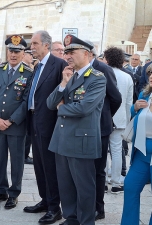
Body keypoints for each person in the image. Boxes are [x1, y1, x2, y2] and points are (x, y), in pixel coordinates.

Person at [47, 35, 106, 225]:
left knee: (84, 187)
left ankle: (86, 221)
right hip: (62, 139)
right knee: (66, 185)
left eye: (72, 52)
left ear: (87, 54)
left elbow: (84, 108)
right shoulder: (70, 76)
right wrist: (63, 83)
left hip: (82, 140)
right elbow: (49, 103)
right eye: (66, 52)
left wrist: (61, 108)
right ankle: (71, 218)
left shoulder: (97, 78)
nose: (67, 56)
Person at [24, 30, 67, 225]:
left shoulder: (58, 65)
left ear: (46, 45)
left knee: (50, 166)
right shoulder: (37, 66)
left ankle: (54, 208)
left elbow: (64, 93)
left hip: (49, 123)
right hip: (34, 120)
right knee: (39, 165)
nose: (31, 47)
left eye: (34, 43)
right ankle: (44, 200)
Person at [0, 35, 33, 209]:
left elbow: (26, 101)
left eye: (17, 51)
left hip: (16, 125)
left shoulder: (28, 73)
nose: (13, 55)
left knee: (16, 161)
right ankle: (1, 190)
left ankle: (14, 193)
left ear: (23, 53)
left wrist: (11, 120)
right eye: (11, 51)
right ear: (7, 51)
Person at [85, 40, 122, 221]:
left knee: (98, 170)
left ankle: (98, 208)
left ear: (89, 53)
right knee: (85, 169)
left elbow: (116, 98)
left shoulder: (103, 69)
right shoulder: (79, 69)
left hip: (100, 128)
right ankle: (85, 205)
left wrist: (104, 116)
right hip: (83, 128)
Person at [121, 63, 152, 225]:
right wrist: (134, 108)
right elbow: (134, 118)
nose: (151, 76)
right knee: (130, 186)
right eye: (150, 73)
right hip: (141, 153)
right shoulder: (144, 94)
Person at [103, 47, 133, 194]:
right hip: (120, 118)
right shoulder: (127, 77)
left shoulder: (102, 73)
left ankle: (102, 182)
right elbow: (128, 102)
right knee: (116, 150)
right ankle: (116, 183)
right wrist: (127, 120)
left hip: (104, 117)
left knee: (102, 150)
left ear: (107, 59)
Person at [22, 46, 34, 165]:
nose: (32, 57)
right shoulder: (24, 70)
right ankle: (24, 155)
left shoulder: (30, 69)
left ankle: (25, 154)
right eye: (29, 54)